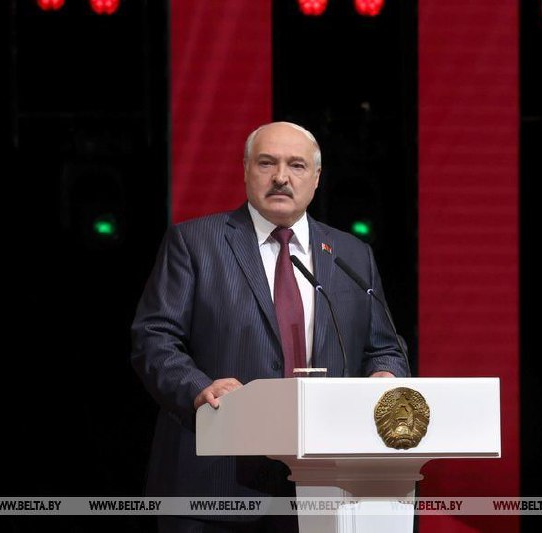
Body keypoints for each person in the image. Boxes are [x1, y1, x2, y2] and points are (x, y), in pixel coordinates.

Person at [131, 121, 409, 532]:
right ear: (245, 170)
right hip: (215, 484)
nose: (281, 177)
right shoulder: (195, 243)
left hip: (325, 486)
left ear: (316, 178)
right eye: (267, 163)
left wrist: (385, 376)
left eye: (296, 165)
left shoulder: (351, 254)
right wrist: (197, 389)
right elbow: (154, 338)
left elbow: (385, 346)